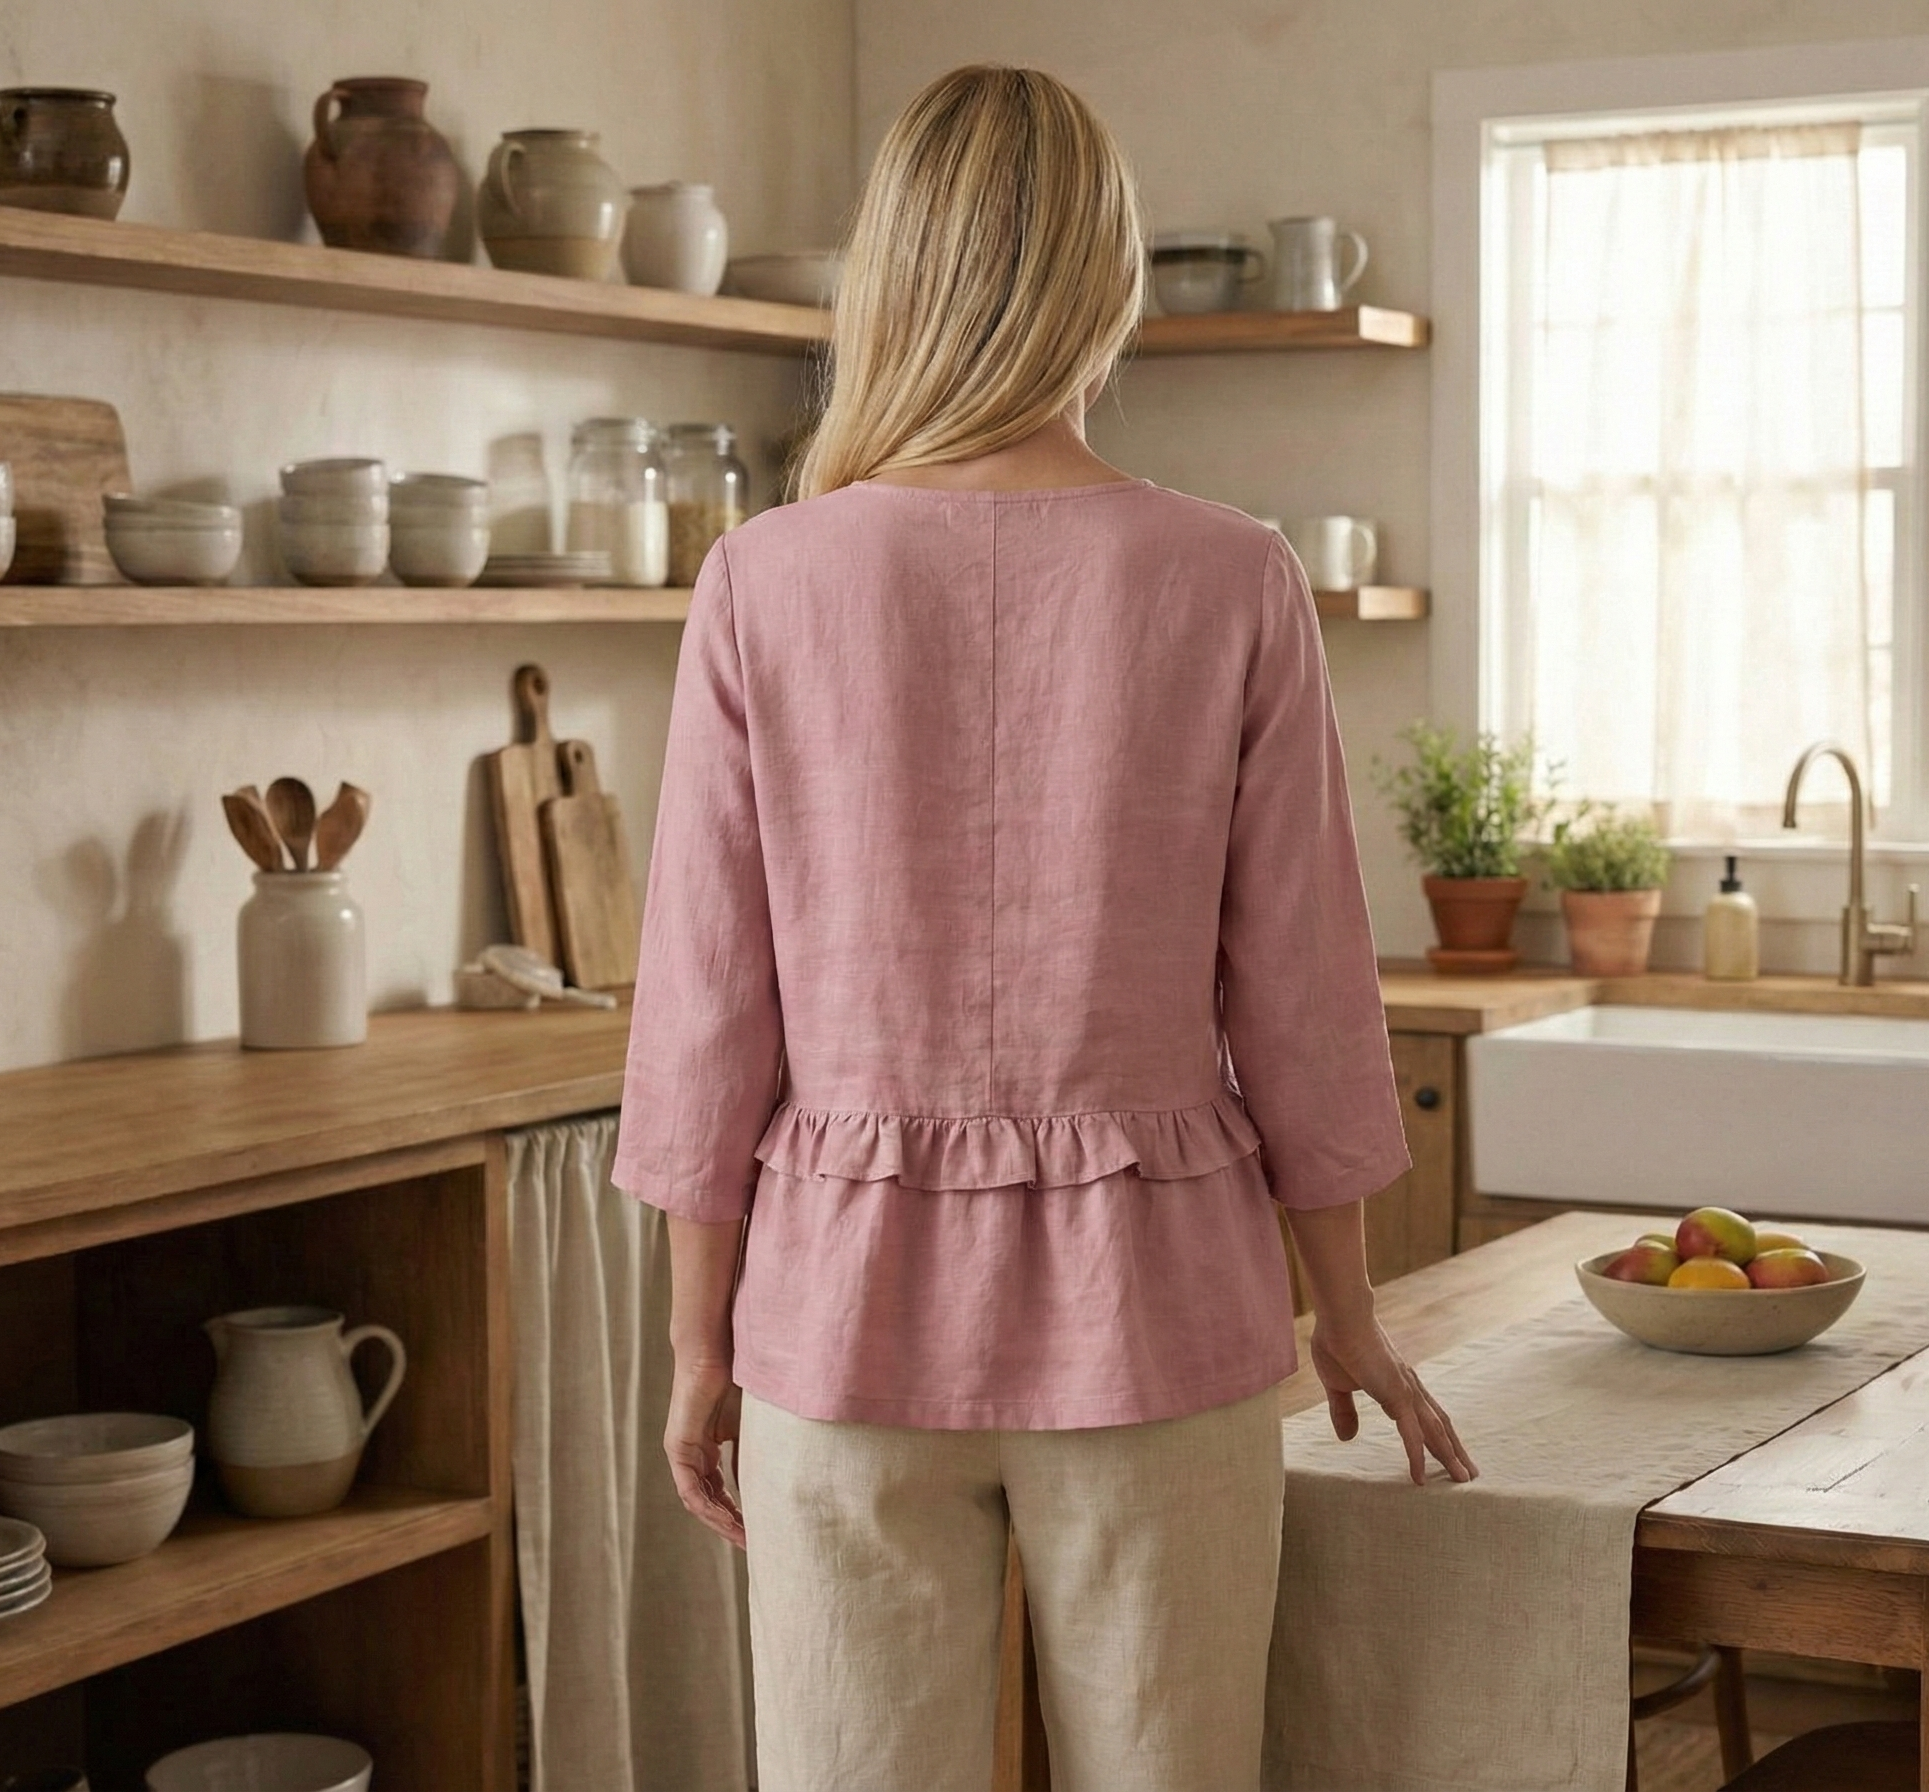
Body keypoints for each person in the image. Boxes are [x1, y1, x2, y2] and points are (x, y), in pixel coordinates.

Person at [612, 62, 1476, 1792]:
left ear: (890, 281)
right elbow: (1306, 995)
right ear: (1108, 278)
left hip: (840, 1320)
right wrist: (1349, 1314)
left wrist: (702, 1350)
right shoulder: (1232, 576)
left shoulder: (763, 579)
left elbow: (707, 1015)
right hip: (1155, 1308)